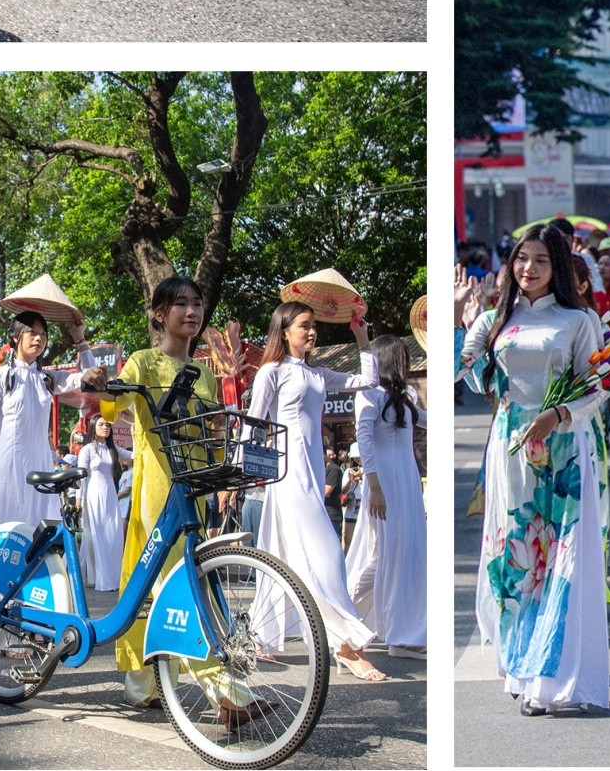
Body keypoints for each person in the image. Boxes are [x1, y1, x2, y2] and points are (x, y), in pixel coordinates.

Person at [464, 222, 609, 715]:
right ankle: (522, 670)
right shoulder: (493, 321)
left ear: (559, 269)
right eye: (522, 258)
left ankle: (553, 677)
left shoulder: (576, 320)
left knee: (557, 562)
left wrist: (558, 414)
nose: (529, 268)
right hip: (510, 448)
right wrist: (467, 334)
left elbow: (600, 384)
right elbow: (469, 374)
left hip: (563, 449)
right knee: (516, 559)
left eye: (541, 261)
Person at [100, 272, 241, 707]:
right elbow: (114, 406)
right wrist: (101, 382)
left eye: (197, 303)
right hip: (158, 489)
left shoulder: (204, 374)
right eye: (180, 304)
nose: (191, 311)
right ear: (160, 315)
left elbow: (209, 433)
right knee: (174, 581)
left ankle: (144, 684)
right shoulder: (142, 361)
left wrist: (218, 436)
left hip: (194, 486)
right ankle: (223, 689)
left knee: (159, 584)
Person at [246, 302, 387, 679]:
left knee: (280, 554)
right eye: (304, 326)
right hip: (288, 478)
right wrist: (243, 472)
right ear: (285, 330)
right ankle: (344, 644)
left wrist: (361, 337)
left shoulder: (318, 374)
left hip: (309, 476)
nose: (312, 332)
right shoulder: (271, 372)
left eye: (314, 327)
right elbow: (254, 423)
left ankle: (261, 636)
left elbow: (368, 381)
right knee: (327, 555)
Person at [0, 308, 89, 537]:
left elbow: (90, 377)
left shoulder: (48, 379)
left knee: (40, 529)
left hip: (41, 463)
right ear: (16, 337)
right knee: (7, 530)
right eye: (32, 333)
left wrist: (80, 339)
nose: (39, 338)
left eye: (44, 335)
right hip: (8, 465)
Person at [345, 332, 426, 652]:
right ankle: (344, 612)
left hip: (405, 478)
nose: (407, 363)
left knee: (404, 554)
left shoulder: (403, 395)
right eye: (403, 357)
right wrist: (375, 487)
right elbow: (363, 439)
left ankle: (400, 630)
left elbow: (422, 422)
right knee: (385, 555)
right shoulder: (368, 393)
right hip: (384, 482)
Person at [75, 415, 127, 591]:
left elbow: (135, 455)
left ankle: (114, 577)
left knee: (114, 535)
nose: (106, 428)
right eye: (101, 424)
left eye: (108, 425)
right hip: (93, 497)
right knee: (96, 537)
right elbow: (81, 478)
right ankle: (100, 579)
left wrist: (137, 435)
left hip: (111, 496)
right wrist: (78, 502)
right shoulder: (87, 450)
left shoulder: (112, 449)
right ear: (93, 427)